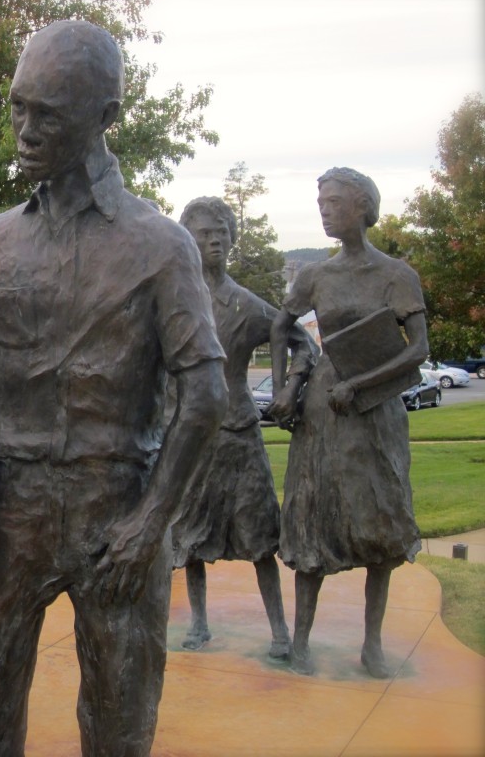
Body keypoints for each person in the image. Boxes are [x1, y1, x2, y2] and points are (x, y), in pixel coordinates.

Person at [0, 20, 227, 756]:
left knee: (119, 713)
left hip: (118, 508)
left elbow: (205, 394)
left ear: (106, 117)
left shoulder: (160, 245)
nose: (24, 129)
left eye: (47, 113)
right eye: (17, 107)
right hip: (8, 507)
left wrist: (152, 524)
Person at [268, 168, 426, 678]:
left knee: (379, 520)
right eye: (320, 201)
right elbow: (279, 326)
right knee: (314, 515)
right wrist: (283, 387)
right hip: (323, 412)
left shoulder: (396, 274)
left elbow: (419, 350)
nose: (324, 208)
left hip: (374, 409)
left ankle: (372, 645)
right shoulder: (316, 276)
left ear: (362, 206)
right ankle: (300, 642)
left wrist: (359, 385)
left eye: (334, 200)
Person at [172, 196, 318, 658]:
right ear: (188, 242)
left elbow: (300, 342)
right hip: (191, 436)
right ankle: (198, 623)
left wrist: (288, 388)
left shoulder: (247, 305)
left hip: (239, 433)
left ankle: (279, 630)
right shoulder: (175, 300)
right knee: (190, 535)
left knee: (259, 536)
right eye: (203, 235)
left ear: (232, 240)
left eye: (221, 234)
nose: (214, 242)